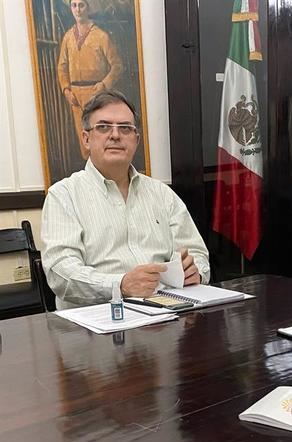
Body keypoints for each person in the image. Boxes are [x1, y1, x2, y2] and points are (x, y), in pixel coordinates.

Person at [41, 89, 210, 309]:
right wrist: (119, 284)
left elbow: (196, 253)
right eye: (103, 127)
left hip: (166, 316)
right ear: (86, 138)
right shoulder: (63, 196)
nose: (115, 135)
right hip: (95, 326)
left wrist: (194, 271)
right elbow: (61, 273)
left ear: (136, 140)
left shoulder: (162, 194)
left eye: (125, 128)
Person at [58, 0, 123, 159]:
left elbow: (118, 66)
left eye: (82, 5)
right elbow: (62, 67)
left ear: (88, 7)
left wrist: (103, 85)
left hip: (96, 94)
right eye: (74, 5)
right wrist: (66, 90)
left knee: (100, 138)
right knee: (84, 142)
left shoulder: (101, 36)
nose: (78, 10)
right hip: (75, 97)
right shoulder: (68, 37)